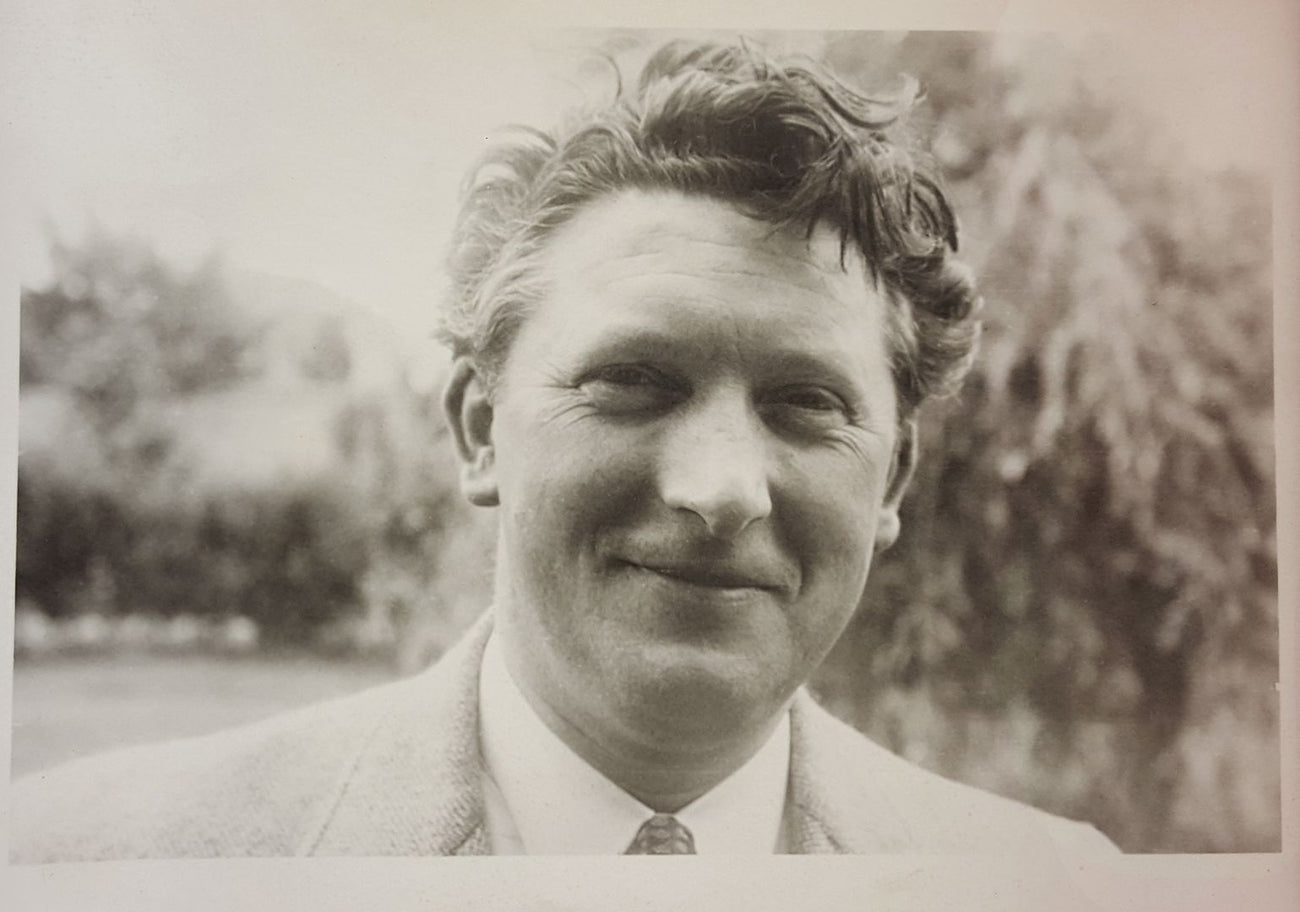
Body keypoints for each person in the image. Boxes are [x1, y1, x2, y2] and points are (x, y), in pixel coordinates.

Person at [10, 38, 1117, 859]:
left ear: (896, 478)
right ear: (480, 428)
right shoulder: (93, 860)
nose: (718, 490)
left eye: (804, 404)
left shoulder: (1055, 885)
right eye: (632, 383)